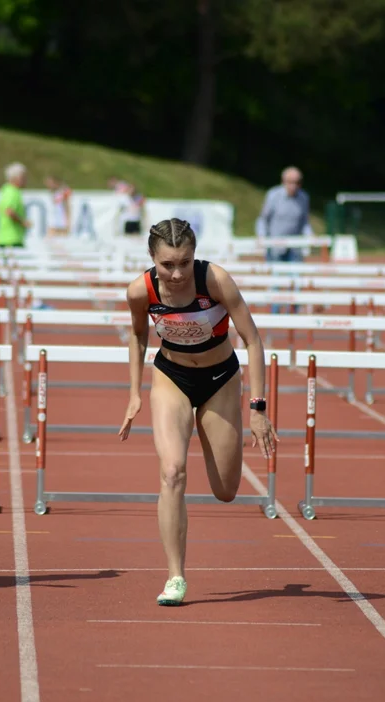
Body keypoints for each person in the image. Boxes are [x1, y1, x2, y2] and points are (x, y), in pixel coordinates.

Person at [118, 218, 278, 606]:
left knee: (226, 490)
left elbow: (254, 341)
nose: (175, 273)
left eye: (184, 263)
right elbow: (139, 334)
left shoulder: (215, 281)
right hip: (170, 377)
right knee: (172, 471)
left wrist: (258, 408)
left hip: (221, 379)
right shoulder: (141, 290)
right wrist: (134, 393)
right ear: (152, 259)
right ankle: (175, 576)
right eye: (167, 264)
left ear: (195, 257)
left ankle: (222, 438)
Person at [0, 162, 30, 249]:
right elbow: (9, 211)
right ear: (17, 177)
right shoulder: (13, 191)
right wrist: (23, 222)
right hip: (12, 239)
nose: (26, 180)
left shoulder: (6, 190)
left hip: (5, 237)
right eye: (23, 177)